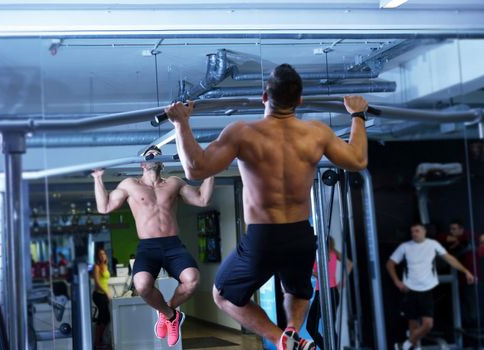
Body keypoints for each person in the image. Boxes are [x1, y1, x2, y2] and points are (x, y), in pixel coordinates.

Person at [166, 63, 369, 350]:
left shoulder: (243, 132)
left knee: (223, 295)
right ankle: (293, 333)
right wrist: (357, 116)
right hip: (300, 234)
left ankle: (279, 339)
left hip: (263, 237)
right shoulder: (317, 133)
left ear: (264, 96)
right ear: (299, 101)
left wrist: (181, 123)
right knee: (298, 290)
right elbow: (358, 160)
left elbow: (195, 169)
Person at [92, 146, 214, 347]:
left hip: (173, 244)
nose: (153, 156)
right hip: (148, 247)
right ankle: (170, 315)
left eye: (157, 154)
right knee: (141, 285)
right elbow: (103, 207)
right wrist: (97, 178)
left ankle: (168, 312)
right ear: (142, 163)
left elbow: (202, 199)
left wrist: (211, 173)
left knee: (192, 280)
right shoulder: (130, 185)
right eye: (149, 155)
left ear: (162, 162)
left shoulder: (174, 183)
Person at [386, 223, 475, 350]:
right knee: (413, 324)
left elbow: (449, 258)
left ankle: (405, 345)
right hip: (410, 289)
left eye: (417, 231)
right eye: (412, 231)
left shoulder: (433, 244)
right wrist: (397, 281)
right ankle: (414, 347)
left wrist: (465, 271)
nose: (414, 234)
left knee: (428, 324)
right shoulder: (405, 247)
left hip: (427, 289)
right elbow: (390, 264)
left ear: (424, 232)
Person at [306, 237, 352, 350]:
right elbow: (349, 264)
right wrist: (342, 282)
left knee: (311, 326)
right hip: (333, 291)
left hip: (323, 292)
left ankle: (326, 347)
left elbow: (317, 273)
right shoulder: (333, 252)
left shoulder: (318, 255)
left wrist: (313, 273)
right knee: (330, 327)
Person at [93, 248, 111, 349]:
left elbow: (105, 282)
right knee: (103, 316)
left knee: (104, 317)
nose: (102, 256)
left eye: (103, 254)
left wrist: (108, 292)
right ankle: (97, 341)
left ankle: (99, 341)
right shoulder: (96, 267)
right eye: (100, 254)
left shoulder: (105, 266)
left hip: (104, 294)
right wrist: (106, 292)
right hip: (98, 295)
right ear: (98, 256)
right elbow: (97, 282)